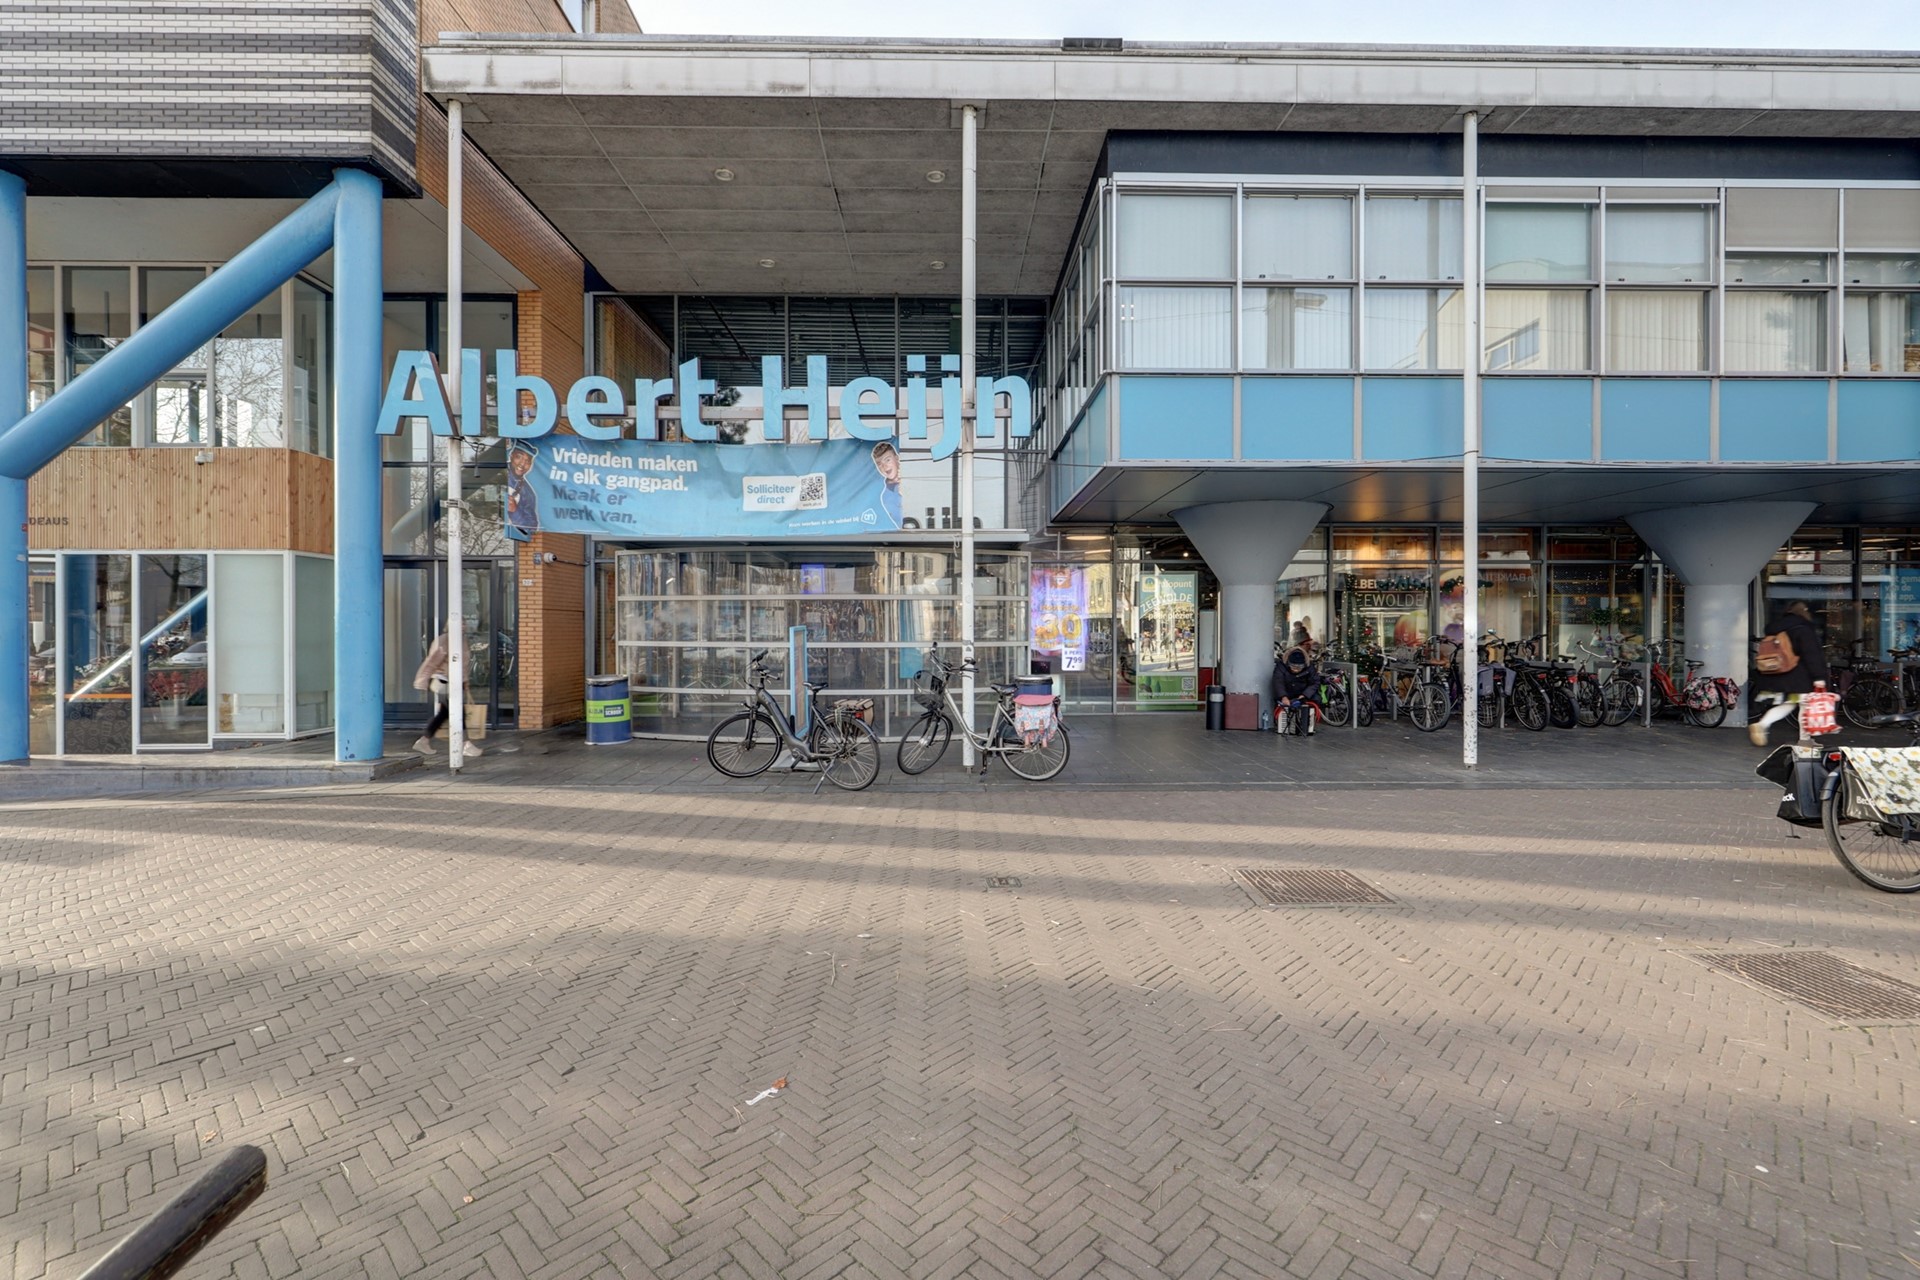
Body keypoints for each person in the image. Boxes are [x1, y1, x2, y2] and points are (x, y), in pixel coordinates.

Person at [1749, 599, 1829, 747]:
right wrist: (1818, 676)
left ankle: (1762, 724)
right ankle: (1805, 740)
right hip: (1799, 676)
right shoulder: (1802, 628)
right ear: (1804, 612)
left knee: (1790, 704)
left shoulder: (1775, 628)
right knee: (1805, 705)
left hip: (1779, 674)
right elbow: (1811, 654)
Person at [413, 630, 482, 758]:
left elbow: (463, 665)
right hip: (443, 682)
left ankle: (424, 741)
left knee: (443, 714)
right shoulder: (444, 640)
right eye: (461, 623)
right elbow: (432, 661)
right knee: (458, 712)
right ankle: (465, 745)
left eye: (464, 623)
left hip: (454, 682)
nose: (463, 626)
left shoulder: (462, 640)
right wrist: (423, 679)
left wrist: (465, 683)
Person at [1271, 644, 1317, 735]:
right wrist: (1283, 696)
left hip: (1303, 693)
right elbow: (1278, 681)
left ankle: (1307, 726)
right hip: (1287, 692)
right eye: (1293, 667)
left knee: (1315, 700)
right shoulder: (1281, 665)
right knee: (1283, 706)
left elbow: (1315, 682)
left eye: (1299, 668)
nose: (1296, 670)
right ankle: (1284, 725)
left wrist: (1305, 695)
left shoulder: (1310, 666)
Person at [506, 442, 540, 536]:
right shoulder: (496, 473)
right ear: (511, 455)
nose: (522, 464)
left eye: (527, 461)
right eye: (519, 457)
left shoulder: (528, 494)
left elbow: (531, 528)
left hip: (505, 540)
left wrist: (515, 511)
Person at [870, 440, 904, 528]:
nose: (885, 466)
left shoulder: (914, 476)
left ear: (897, 458)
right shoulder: (885, 496)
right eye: (879, 464)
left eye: (888, 460)